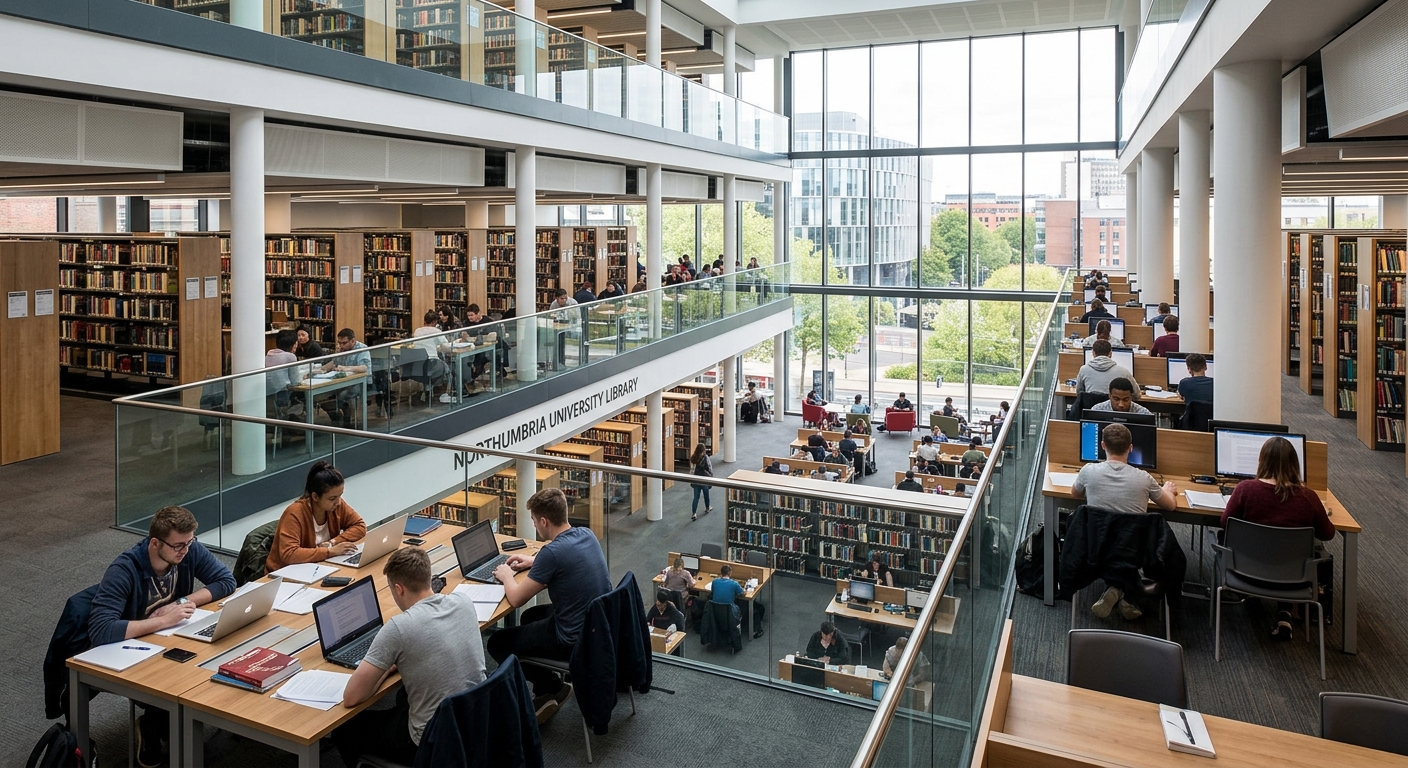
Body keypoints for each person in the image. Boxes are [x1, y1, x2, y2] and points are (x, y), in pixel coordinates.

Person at [90, 506, 236, 766]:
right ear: (155, 543)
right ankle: (159, 724)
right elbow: (102, 630)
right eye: (178, 546)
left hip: (169, 642)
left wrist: (182, 601)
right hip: (132, 652)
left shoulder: (187, 549)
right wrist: (161, 622)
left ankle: (161, 724)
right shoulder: (124, 570)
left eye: (189, 543)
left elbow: (226, 581)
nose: (186, 551)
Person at [334, 547, 485, 766]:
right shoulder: (463, 601)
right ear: (428, 577)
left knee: (345, 729)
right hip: (474, 721)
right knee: (403, 697)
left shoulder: (399, 627)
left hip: (430, 739)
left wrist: (386, 669)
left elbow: (352, 697)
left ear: (399, 589)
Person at [488, 488, 610, 721]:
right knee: (531, 616)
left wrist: (505, 575)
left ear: (544, 521)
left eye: (534, 521)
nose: (534, 526)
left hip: (572, 639)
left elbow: (515, 598)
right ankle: (544, 690)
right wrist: (534, 562)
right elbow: (565, 560)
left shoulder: (552, 553)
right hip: (596, 626)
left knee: (498, 643)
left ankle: (554, 687)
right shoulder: (586, 534)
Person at [1220, 436, 1336, 640]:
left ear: (1261, 461)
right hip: (1294, 580)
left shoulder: (1245, 490)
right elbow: (1327, 533)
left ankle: (1251, 597)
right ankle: (1285, 613)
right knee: (1299, 548)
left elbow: (1225, 523)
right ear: (1295, 464)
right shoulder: (1308, 497)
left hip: (1245, 573)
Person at [1070, 423, 1177, 620]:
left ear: (1103, 446)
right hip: (1135, 553)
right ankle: (1127, 594)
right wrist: (1169, 490)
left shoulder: (1088, 472)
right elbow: (1170, 506)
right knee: (1124, 550)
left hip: (1095, 548)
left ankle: (1115, 590)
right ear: (1130, 448)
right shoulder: (1144, 478)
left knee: (1112, 548)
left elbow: (1074, 493)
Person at [266, 461, 367, 573]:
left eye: (340, 496)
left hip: (318, 567)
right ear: (315, 496)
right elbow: (289, 554)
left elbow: (359, 526)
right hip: (285, 575)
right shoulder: (294, 513)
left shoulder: (336, 506)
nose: (338, 502)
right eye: (332, 498)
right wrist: (329, 551)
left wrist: (333, 542)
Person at [318, 328, 372, 427]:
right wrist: (321, 369)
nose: (341, 346)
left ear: (353, 341)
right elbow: (334, 362)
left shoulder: (362, 349)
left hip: (359, 382)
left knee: (342, 395)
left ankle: (346, 420)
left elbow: (364, 368)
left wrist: (346, 368)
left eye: (344, 343)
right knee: (323, 395)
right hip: (342, 381)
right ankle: (337, 416)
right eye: (339, 343)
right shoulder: (341, 349)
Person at [711, 564, 764, 638]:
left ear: (721, 573)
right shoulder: (734, 583)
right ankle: (756, 629)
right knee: (748, 605)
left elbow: (713, 592)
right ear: (730, 573)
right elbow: (743, 594)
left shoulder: (714, 582)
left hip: (715, 611)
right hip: (730, 613)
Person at [264, 329, 305, 417]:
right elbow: (296, 382)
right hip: (283, 396)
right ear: (294, 344)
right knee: (304, 395)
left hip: (268, 397)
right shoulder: (290, 357)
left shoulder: (267, 356)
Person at [690, 443, 713, 521]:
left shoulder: (693, 458)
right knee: (706, 495)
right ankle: (708, 507)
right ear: (702, 451)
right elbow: (709, 468)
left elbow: (692, 470)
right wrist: (711, 478)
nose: (704, 452)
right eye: (704, 451)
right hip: (704, 480)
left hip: (696, 480)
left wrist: (691, 479)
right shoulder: (705, 458)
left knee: (696, 497)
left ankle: (694, 513)